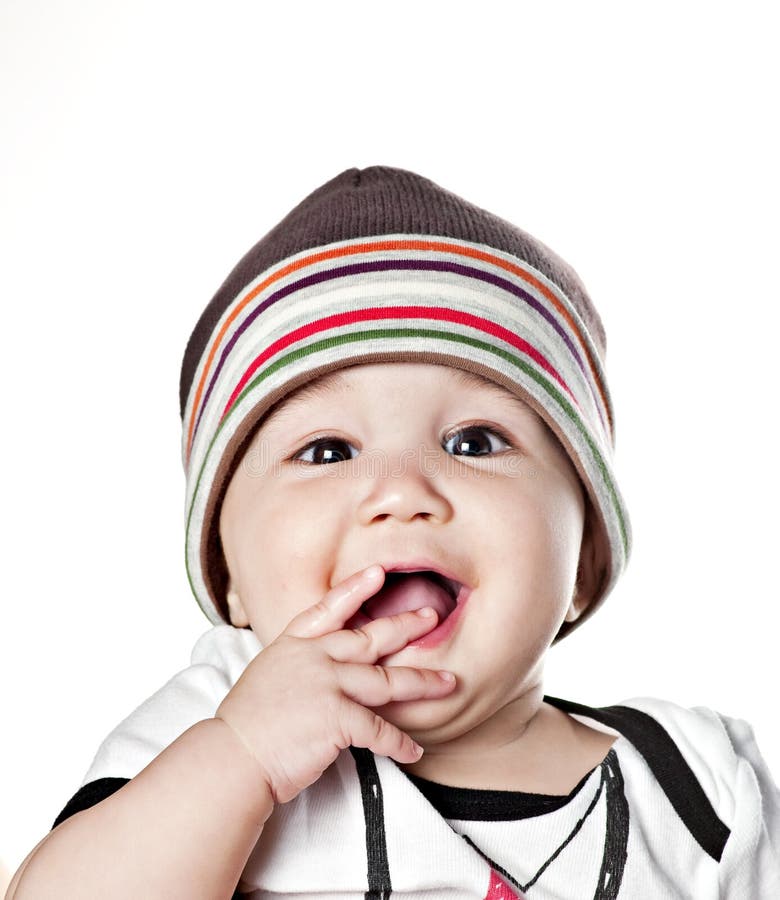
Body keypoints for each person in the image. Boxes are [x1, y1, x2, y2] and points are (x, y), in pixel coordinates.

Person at [8, 166, 779, 899]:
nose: (402, 493)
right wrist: (244, 756)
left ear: (585, 559)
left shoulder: (703, 788)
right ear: (228, 574)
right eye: (328, 451)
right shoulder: (213, 726)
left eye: (475, 441)